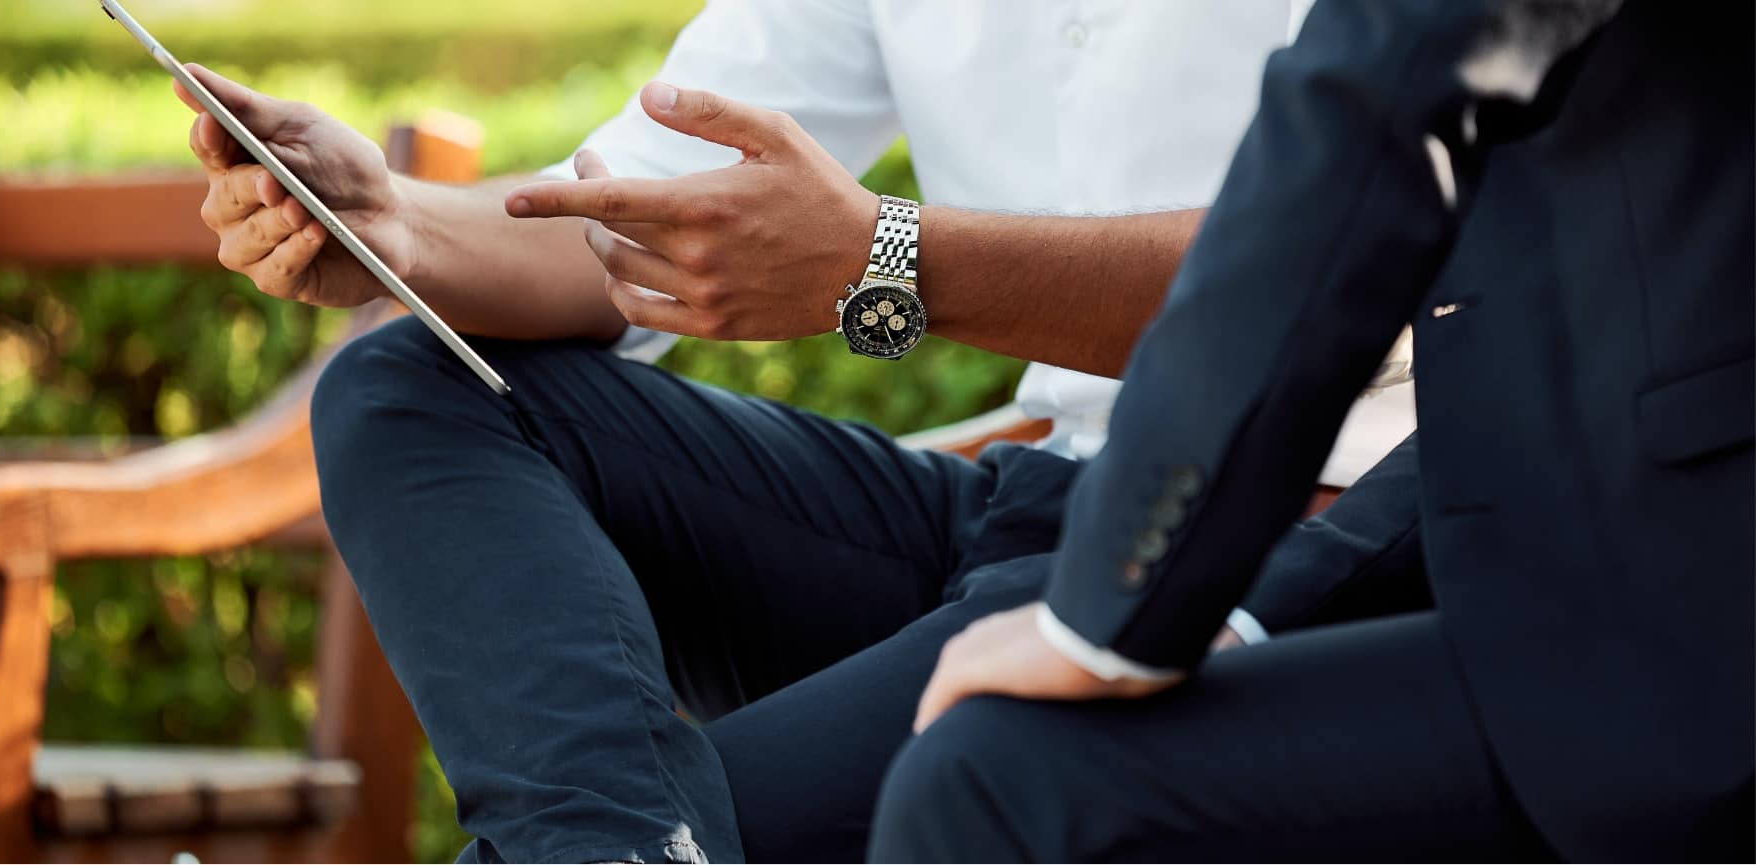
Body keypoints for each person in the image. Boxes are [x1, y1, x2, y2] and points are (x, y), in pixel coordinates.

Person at [176, 2, 1419, 861]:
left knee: (735, 826)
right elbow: (629, 216)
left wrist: (887, 261)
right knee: (406, 390)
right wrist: (393, 224)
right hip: (1028, 500)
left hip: (1285, 533)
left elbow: (1357, 271)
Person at [870, 0, 1753, 860]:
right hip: (1131, 503)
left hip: (1668, 616)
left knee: (990, 782)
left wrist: (1112, 608)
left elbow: (1381, 102)